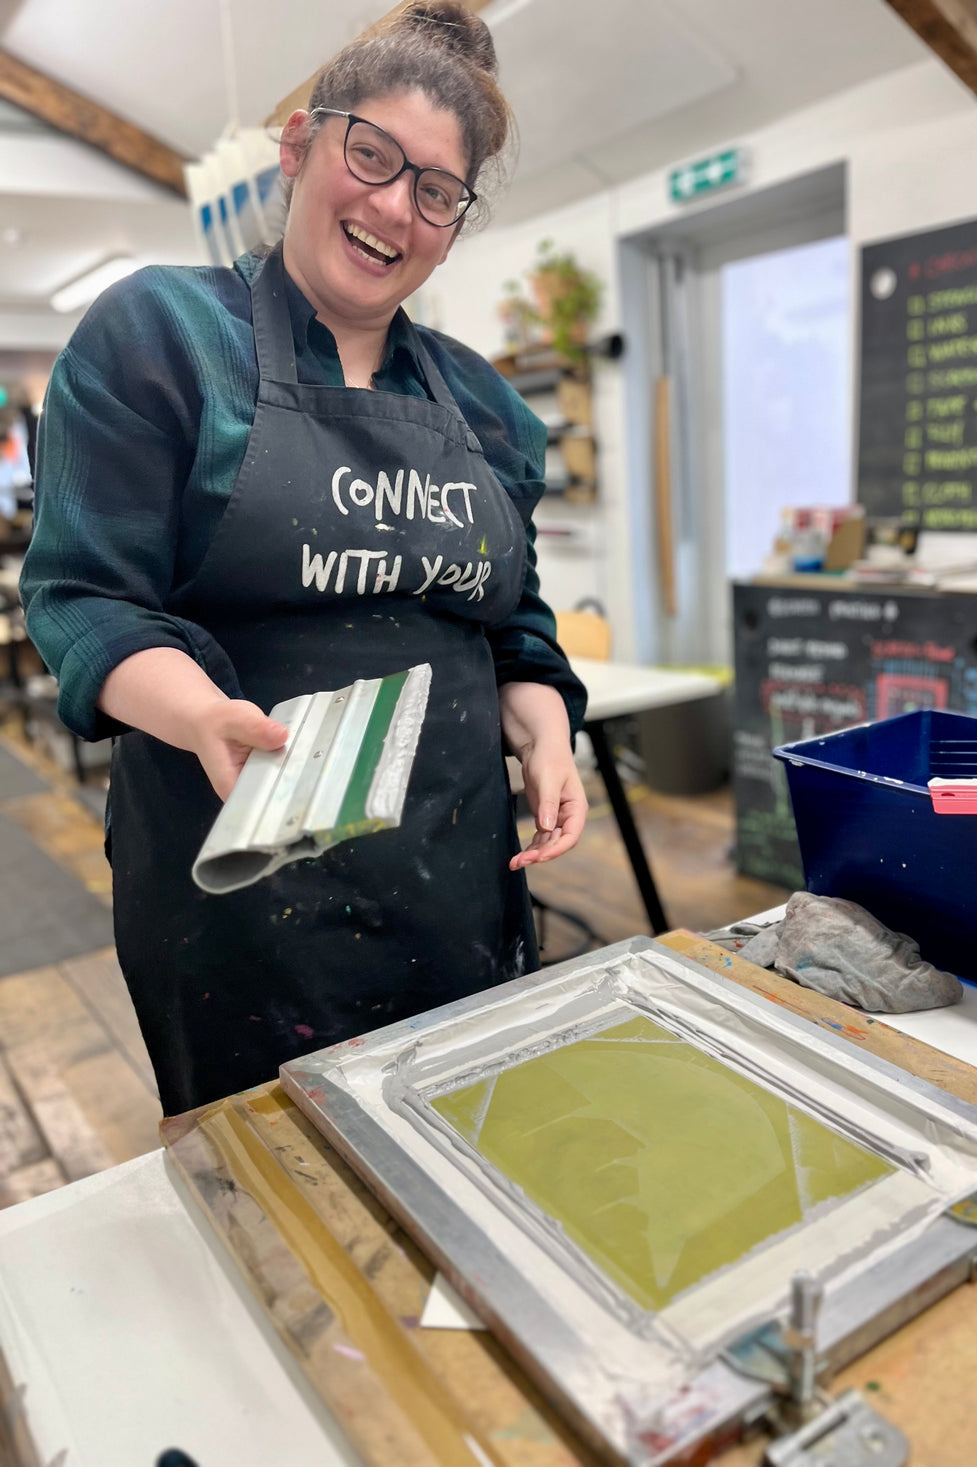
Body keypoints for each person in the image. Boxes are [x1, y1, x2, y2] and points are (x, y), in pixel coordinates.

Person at [20, 1, 588, 1116]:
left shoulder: (488, 408)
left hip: (455, 871)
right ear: (298, 145)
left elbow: (513, 619)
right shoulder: (160, 338)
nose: (395, 207)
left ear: (454, 223)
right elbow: (83, 597)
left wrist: (547, 727)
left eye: (437, 191)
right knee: (275, 1183)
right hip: (235, 891)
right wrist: (199, 712)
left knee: (466, 1137)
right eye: (371, 155)